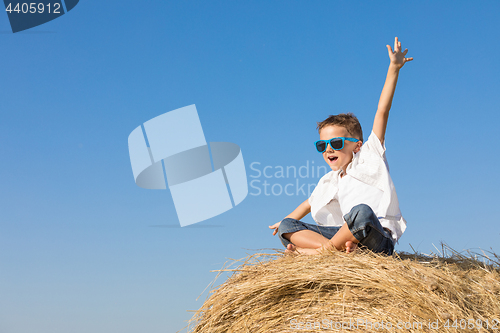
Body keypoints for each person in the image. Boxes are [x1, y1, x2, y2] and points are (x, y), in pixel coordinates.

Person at [269, 37, 412, 255]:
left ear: (357, 146)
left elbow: (382, 111)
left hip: (376, 236)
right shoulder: (330, 181)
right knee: (287, 226)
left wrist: (394, 68)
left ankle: (317, 253)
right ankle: (334, 250)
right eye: (322, 145)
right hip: (346, 237)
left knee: (361, 212)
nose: (328, 149)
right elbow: (309, 203)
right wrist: (284, 222)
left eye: (335, 143)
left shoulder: (369, 156)